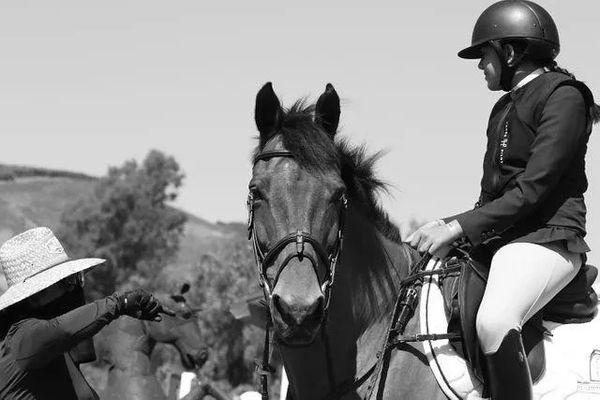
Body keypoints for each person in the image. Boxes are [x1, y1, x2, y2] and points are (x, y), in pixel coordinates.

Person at [405, 1, 599, 399]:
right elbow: (491, 197)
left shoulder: (566, 97)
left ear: (510, 52)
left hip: (548, 239)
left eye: (484, 55)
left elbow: (533, 189)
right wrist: (445, 227)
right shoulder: (503, 108)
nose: (480, 65)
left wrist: (458, 226)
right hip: (504, 240)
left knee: (494, 321)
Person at [0, 227, 175, 400]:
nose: (74, 288)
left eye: (76, 279)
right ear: (33, 299)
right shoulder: (21, 339)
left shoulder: (56, 354)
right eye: (65, 282)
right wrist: (120, 303)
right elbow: (61, 329)